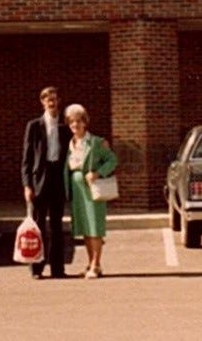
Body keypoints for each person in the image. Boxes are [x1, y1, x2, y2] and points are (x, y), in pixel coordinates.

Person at [64, 103, 118, 279]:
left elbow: (112, 160)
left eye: (78, 121)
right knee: (85, 228)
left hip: (92, 189)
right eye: (72, 122)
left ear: (85, 122)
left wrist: (98, 173)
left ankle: (96, 264)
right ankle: (91, 263)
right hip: (77, 190)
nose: (75, 125)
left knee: (95, 227)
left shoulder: (96, 142)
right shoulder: (70, 143)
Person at [22, 86, 70, 279]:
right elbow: (26, 158)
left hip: (58, 177)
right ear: (42, 102)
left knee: (57, 227)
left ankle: (58, 269)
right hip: (39, 180)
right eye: (48, 100)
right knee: (38, 226)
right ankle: (37, 269)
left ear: (59, 101)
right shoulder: (34, 126)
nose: (52, 103)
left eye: (55, 99)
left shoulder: (65, 127)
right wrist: (27, 185)